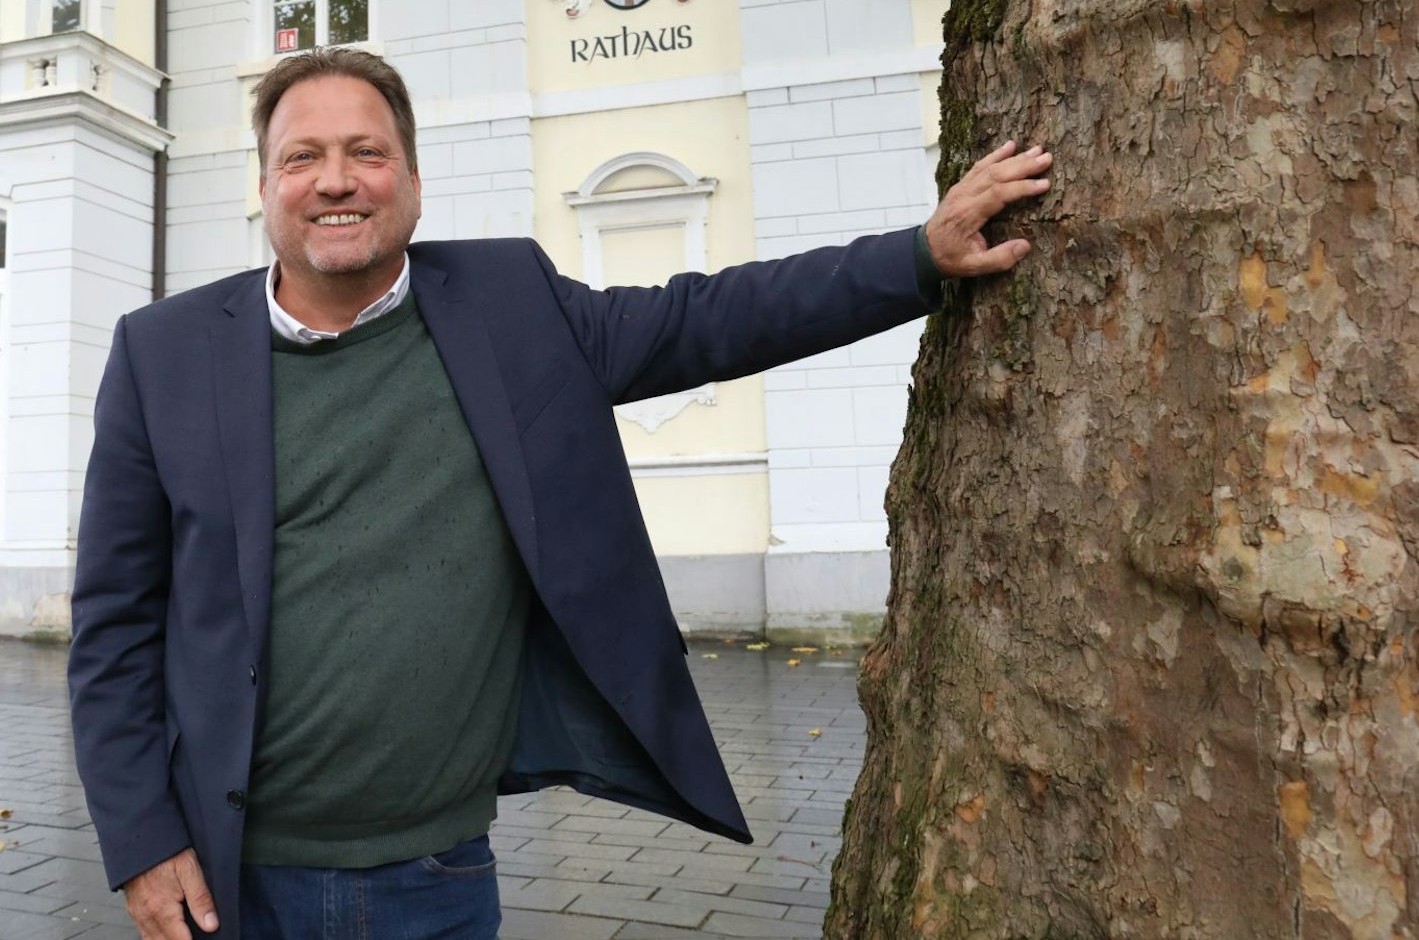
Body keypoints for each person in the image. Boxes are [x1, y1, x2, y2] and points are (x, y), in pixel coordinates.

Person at [67, 48, 1053, 940]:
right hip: (233, 882)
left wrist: (917, 256)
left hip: (438, 875)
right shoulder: (163, 355)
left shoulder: (508, 310)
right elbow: (112, 625)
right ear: (264, 184)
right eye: (302, 156)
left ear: (410, 179)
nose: (334, 179)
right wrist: (140, 839)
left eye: (365, 152)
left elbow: (708, 319)